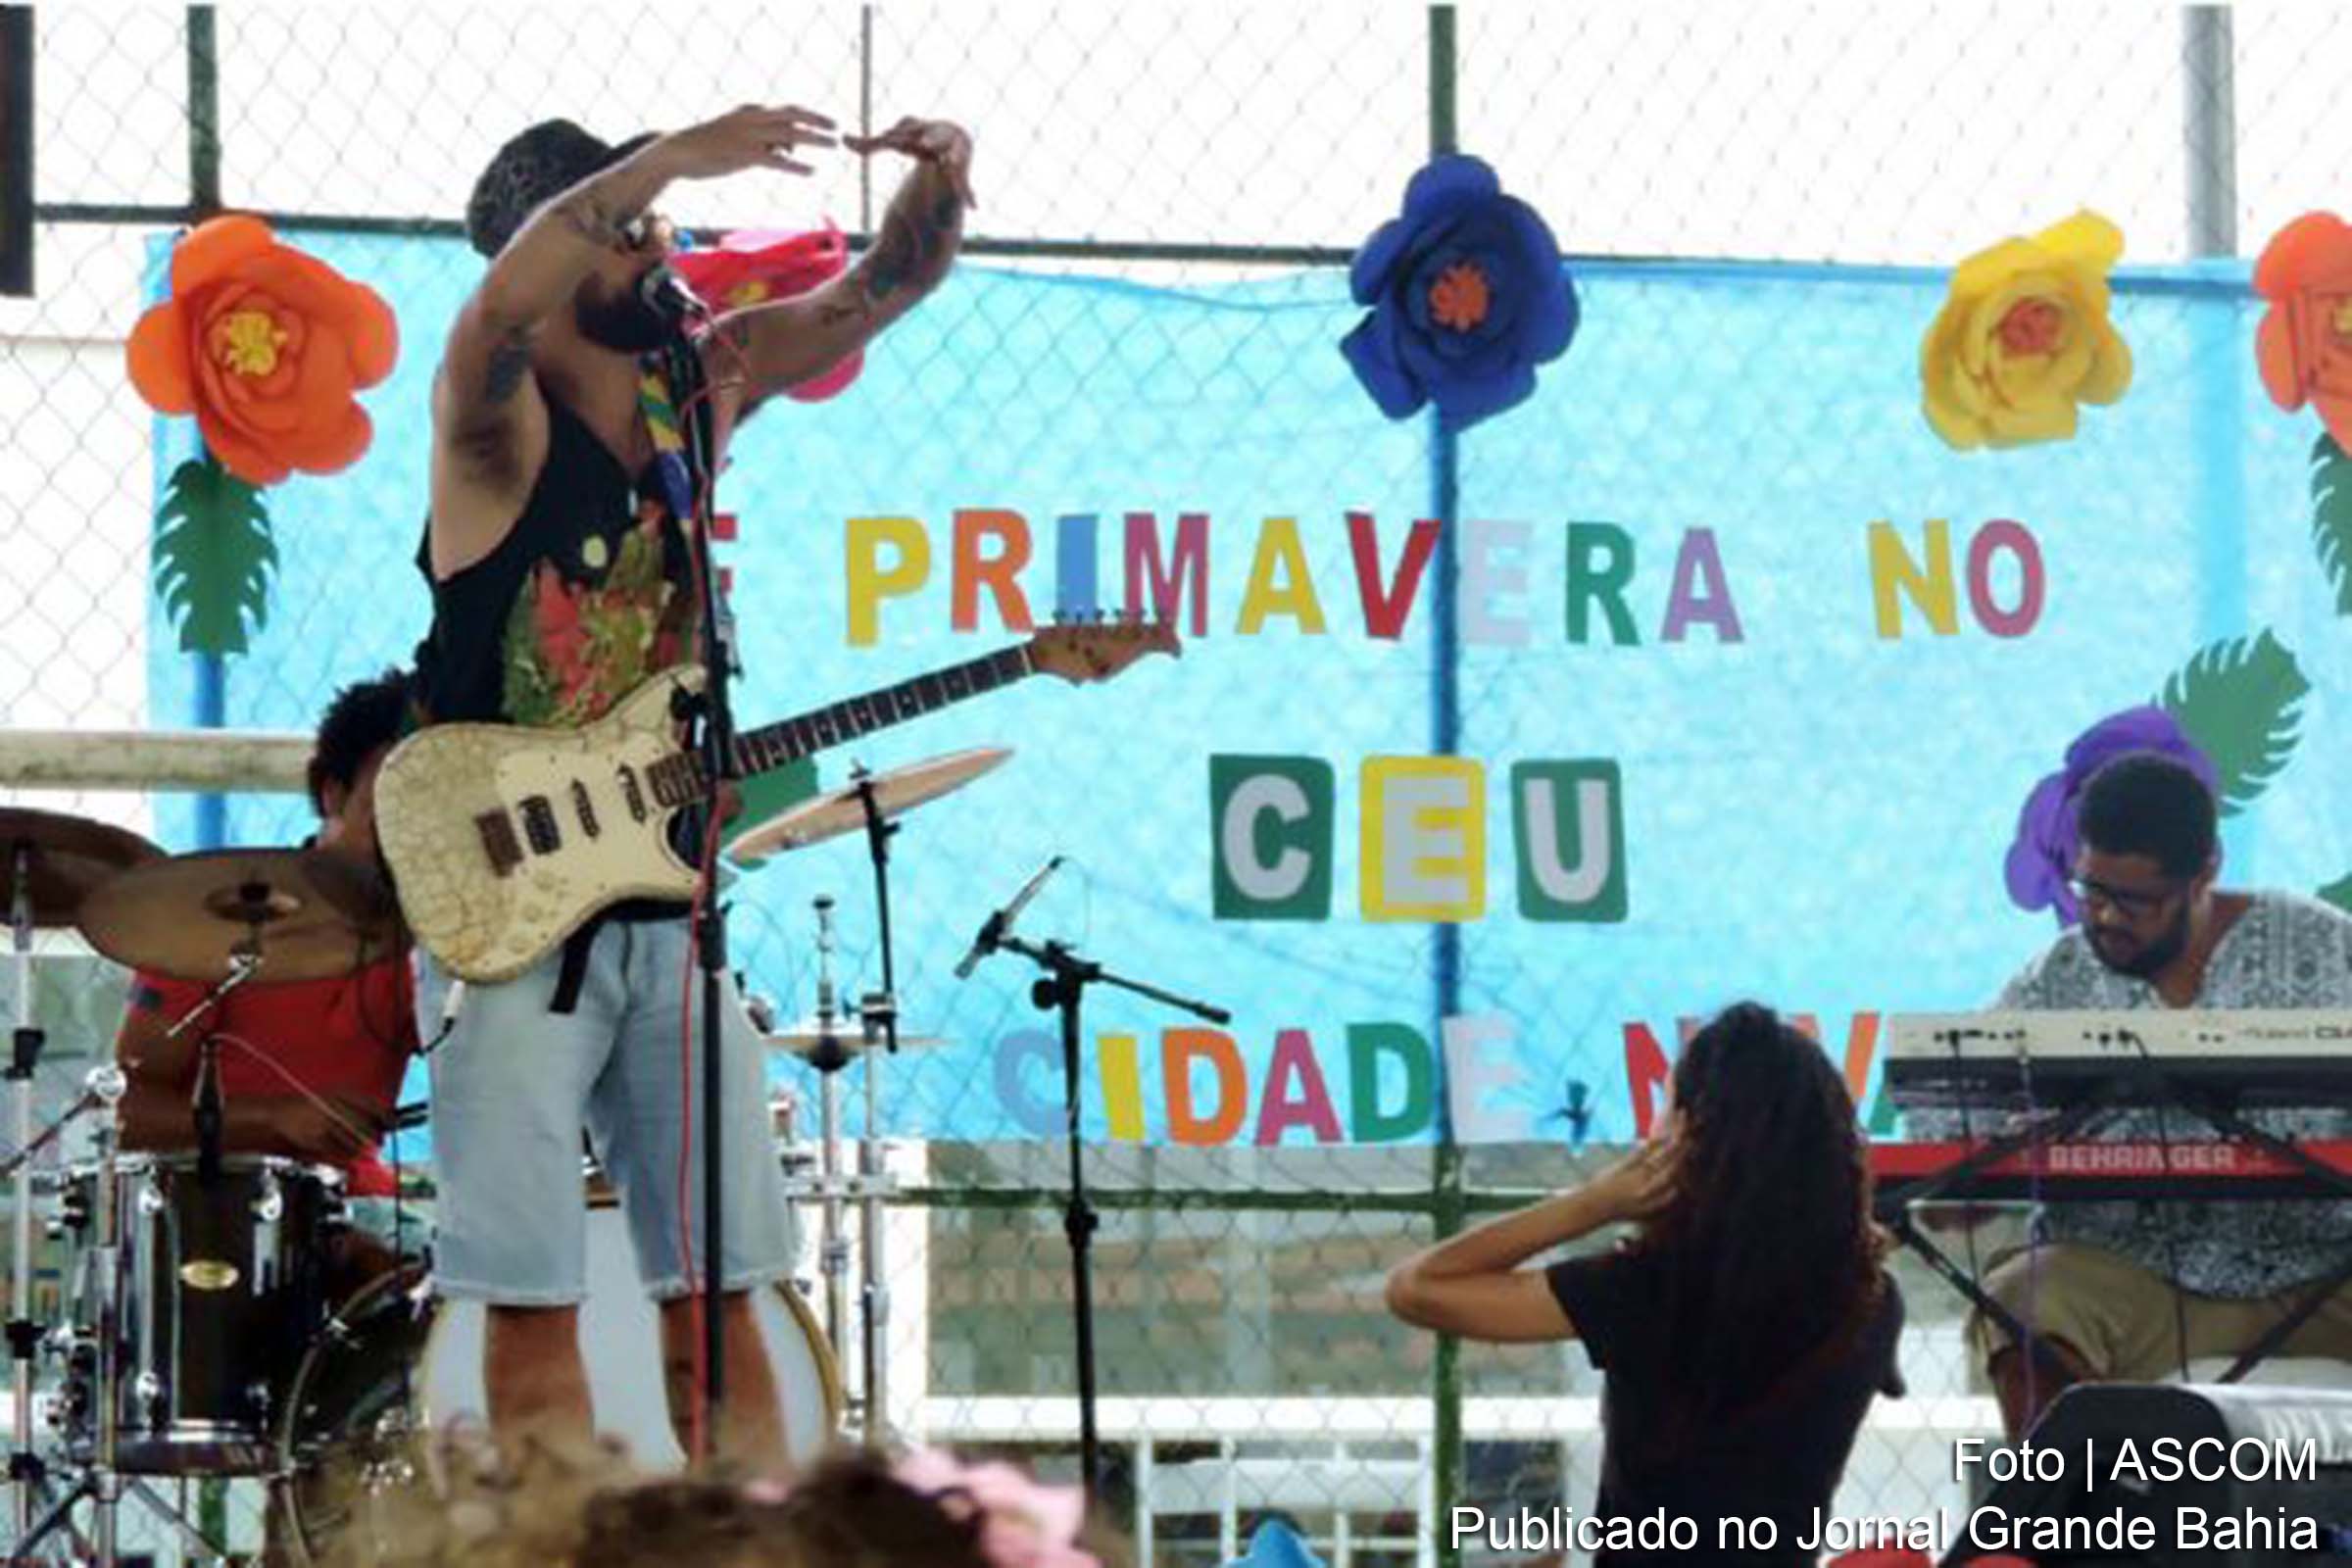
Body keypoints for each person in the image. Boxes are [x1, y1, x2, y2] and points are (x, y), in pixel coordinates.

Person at [409, 105, 972, 1464]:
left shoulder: (694, 390)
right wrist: (658, 163)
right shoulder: (492, 418)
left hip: (671, 905)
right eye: (630, 229)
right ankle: (557, 1551)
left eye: (659, 224)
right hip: (513, 914)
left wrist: (941, 187)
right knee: (532, 1298)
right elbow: (501, 308)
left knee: (726, 1292)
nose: (660, 249)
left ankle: (749, 1545)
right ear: (555, 251)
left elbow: (877, 293)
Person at [1385, 1002, 1901, 1566]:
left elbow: (1417, 1287)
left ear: (1691, 1138)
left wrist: (1593, 1203)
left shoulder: (1649, 1291)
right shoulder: (1872, 1301)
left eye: (1664, 1110)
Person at [1952, 752, 2352, 1437]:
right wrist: (1973, 1170)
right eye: (2091, 891)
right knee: (2025, 1298)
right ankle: (2072, 1499)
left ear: (2206, 871)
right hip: (2132, 1281)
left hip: (2318, 1276)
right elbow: (1953, 1125)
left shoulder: (2326, 951)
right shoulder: (2060, 977)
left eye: (2136, 901)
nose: (2106, 917)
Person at [115, 667, 417, 1274]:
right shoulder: (222, 916)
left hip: (361, 1211)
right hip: (218, 1217)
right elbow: (124, 1116)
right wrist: (277, 1120)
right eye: (393, 804)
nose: (413, 833)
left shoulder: (432, 936)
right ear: (332, 794)